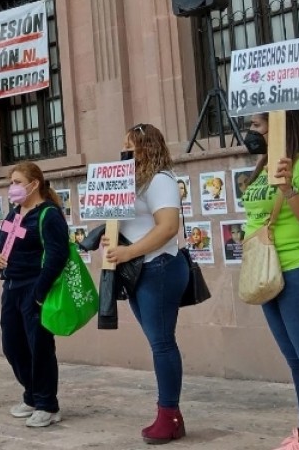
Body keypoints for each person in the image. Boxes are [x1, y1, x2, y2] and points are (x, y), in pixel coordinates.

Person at [241, 111, 299, 450]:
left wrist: (290, 190)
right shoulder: (266, 165)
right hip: (270, 274)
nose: (251, 131)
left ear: (280, 125)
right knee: (297, 362)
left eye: (257, 124)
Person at [103, 123, 189, 444]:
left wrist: (128, 250)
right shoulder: (134, 182)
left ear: (147, 147)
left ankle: (170, 416)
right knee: (158, 342)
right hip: (139, 269)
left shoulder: (160, 180)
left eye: (131, 145)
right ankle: (168, 412)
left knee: (162, 343)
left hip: (160, 268)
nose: (125, 151)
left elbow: (167, 228)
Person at [0, 161, 68, 428]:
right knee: (13, 345)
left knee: (40, 347)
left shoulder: (48, 214)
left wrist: (39, 292)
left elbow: (58, 255)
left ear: (34, 184)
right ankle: (32, 394)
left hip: (34, 287)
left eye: (18, 182)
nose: (13, 188)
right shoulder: (13, 215)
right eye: (11, 182)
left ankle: (47, 403)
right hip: (11, 286)